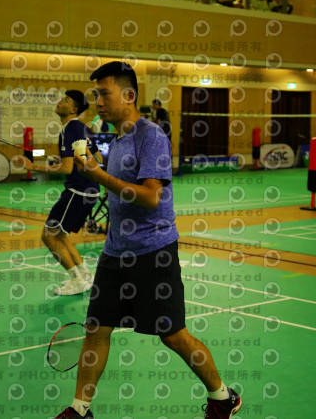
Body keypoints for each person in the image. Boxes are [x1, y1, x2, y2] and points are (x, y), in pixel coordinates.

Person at [55, 62, 242, 418]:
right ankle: (80, 410)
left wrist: (97, 174)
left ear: (128, 95)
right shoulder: (118, 141)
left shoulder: (151, 136)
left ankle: (223, 397)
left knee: (173, 335)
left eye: (104, 94)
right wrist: (96, 168)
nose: (98, 102)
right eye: (95, 95)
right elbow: (119, 188)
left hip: (153, 252)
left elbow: (151, 197)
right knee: (96, 330)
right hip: (115, 252)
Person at [13, 90, 103, 296]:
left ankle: (76, 281)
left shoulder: (69, 130)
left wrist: (33, 166)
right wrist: (65, 160)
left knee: (49, 236)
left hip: (77, 191)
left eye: (65, 100)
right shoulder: (83, 128)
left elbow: (66, 169)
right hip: (90, 190)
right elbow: (97, 157)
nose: (59, 102)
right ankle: (84, 275)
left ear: (73, 109)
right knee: (59, 234)